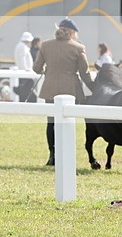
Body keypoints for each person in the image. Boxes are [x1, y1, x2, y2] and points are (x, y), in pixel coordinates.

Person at [33, 18, 95, 166]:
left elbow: (36, 69)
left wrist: (47, 70)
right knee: (68, 123)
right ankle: (65, 154)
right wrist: (94, 88)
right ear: (72, 32)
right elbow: (84, 73)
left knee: (51, 123)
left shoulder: (45, 45)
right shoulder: (78, 48)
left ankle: (52, 155)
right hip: (70, 90)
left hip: (50, 89)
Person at [13, 31, 36, 102]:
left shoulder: (21, 46)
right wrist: (26, 70)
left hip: (24, 73)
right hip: (25, 74)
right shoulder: (22, 47)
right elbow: (22, 60)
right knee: (25, 91)